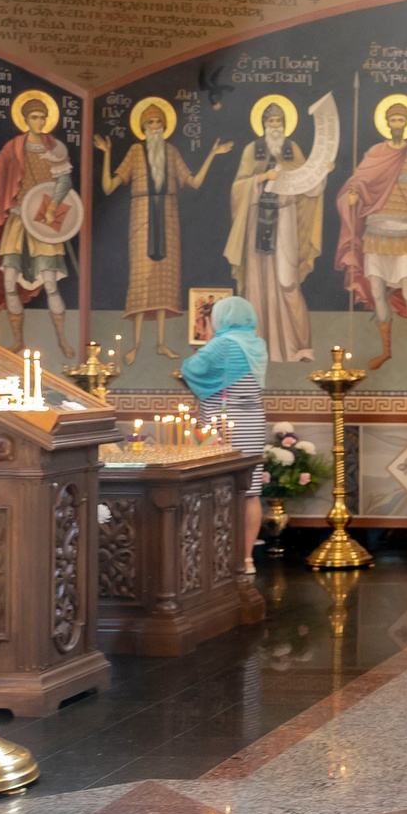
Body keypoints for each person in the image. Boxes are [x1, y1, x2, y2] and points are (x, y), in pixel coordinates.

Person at [100, 103, 232, 358]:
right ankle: (135, 344)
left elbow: (193, 182)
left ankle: (161, 343)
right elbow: (107, 187)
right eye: (150, 123)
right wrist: (107, 153)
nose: (155, 128)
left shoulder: (171, 152)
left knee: (165, 278)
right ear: (143, 127)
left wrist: (213, 154)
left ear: (165, 127)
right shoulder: (135, 152)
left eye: (159, 123)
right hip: (141, 213)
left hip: (168, 214)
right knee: (142, 276)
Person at [335, 98, 407, 373]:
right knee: (377, 294)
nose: (396, 124)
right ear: (387, 124)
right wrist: (352, 196)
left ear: (406, 123)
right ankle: (386, 351)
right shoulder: (376, 154)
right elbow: (357, 182)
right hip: (376, 234)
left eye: (401, 120)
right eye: (392, 120)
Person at [0, 93, 79, 355]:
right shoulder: (13, 147)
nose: (39, 121)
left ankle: (63, 339)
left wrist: (52, 207)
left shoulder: (55, 148)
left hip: (44, 224)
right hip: (18, 222)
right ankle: (18, 339)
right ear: (25, 119)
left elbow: (65, 183)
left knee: (51, 283)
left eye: (42, 117)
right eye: (34, 117)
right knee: (8, 281)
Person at [182, 295, 270, 585]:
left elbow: (192, 369)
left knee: (214, 485)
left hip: (223, 421)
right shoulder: (257, 343)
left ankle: (217, 556)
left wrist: (208, 337)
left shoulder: (223, 343)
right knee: (251, 489)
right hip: (253, 420)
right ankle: (245, 558)